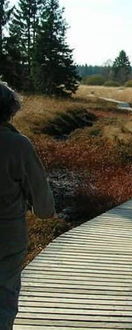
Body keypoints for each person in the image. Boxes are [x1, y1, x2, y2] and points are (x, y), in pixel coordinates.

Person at [0, 82, 55, 329]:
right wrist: (44, 211)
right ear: (10, 110)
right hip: (6, 235)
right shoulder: (17, 145)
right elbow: (40, 194)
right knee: (4, 294)